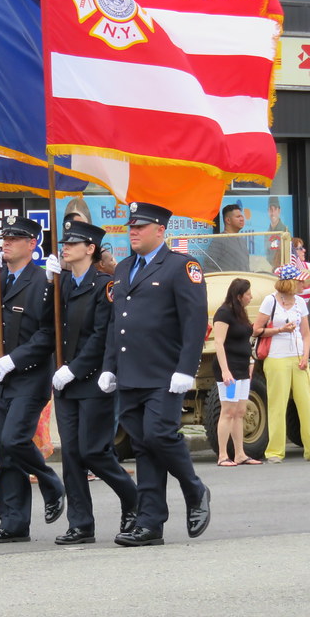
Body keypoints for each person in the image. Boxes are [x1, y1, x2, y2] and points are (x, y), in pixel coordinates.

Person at [100, 202, 210, 547]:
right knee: (143, 446)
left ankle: (195, 489)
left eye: (141, 227)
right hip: (131, 373)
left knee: (160, 435)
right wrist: (109, 367)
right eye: (131, 227)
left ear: (161, 231)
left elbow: (194, 323)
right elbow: (116, 323)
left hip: (164, 373)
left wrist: (186, 369)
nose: (133, 232)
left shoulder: (181, 266)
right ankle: (150, 523)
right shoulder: (123, 269)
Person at [0, 216, 64, 544]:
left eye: (15, 238)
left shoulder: (43, 279)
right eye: (4, 237)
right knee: (6, 453)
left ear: (32, 244)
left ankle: (51, 482)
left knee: (15, 440)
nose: (5, 242)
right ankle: (13, 522)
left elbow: (49, 332)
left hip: (30, 376)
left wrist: (15, 359)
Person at [47, 219, 138, 544]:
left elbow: (102, 335)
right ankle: (81, 523)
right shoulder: (63, 283)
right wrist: (48, 284)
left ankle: (133, 499)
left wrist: (74, 369)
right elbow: (51, 326)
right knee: (71, 454)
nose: (65, 248)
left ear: (90, 249)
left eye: (72, 244)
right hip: (66, 383)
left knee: (94, 452)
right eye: (64, 243)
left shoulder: (104, 286)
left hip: (94, 380)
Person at [254, 264, 310, 463]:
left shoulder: (300, 302)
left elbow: (306, 333)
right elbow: (256, 329)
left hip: (298, 356)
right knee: (277, 404)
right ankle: (274, 451)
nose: (304, 284)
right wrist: (279, 331)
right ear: (291, 282)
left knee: (307, 403)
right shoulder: (270, 301)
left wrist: (305, 356)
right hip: (276, 357)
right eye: (300, 281)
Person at [211, 278, 260, 467]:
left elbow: (245, 340)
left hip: (242, 368)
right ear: (239, 295)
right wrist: (225, 370)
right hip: (229, 370)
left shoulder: (241, 313)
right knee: (228, 410)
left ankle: (240, 453)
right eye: (248, 294)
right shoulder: (224, 313)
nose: (251, 297)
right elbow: (219, 343)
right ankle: (223, 454)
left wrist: (250, 360)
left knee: (240, 411)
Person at [205, 203, 249, 272]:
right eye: (238, 217)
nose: (242, 219)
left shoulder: (243, 241)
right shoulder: (219, 240)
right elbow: (209, 267)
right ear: (228, 220)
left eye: (242, 216)